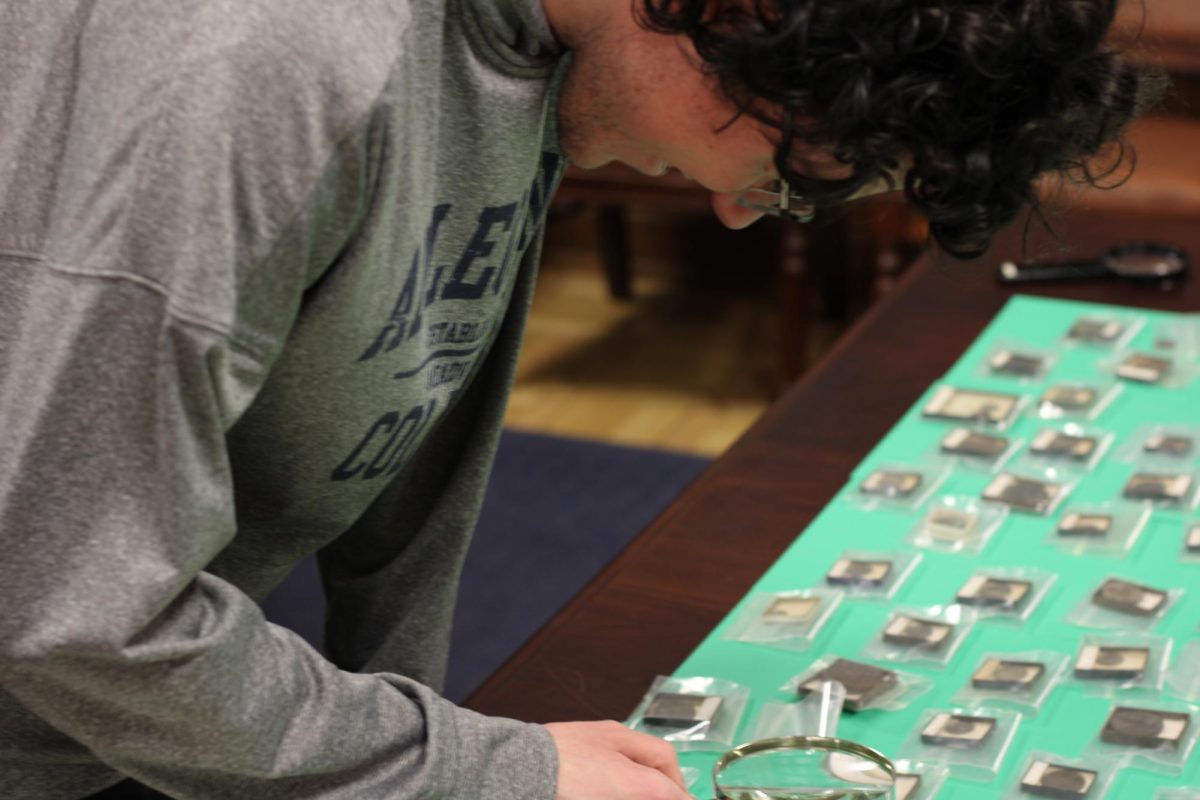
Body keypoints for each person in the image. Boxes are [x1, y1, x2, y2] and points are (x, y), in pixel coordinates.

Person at [0, 0, 1150, 798]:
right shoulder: (260, 63)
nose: (747, 213)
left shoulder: (548, 49)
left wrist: (422, 742)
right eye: (805, 167)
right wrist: (467, 766)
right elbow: (70, 602)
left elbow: (411, 402)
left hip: (141, 716)